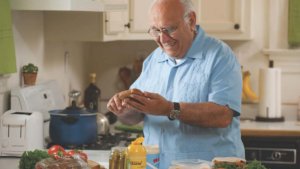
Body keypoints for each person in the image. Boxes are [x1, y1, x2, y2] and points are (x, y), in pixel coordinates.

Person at [107, 0, 245, 168]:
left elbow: (223, 116)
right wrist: (123, 111)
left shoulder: (220, 56)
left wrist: (169, 108)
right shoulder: (153, 60)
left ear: (191, 21)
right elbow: (136, 116)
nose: (163, 38)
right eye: (156, 30)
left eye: (170, 29)